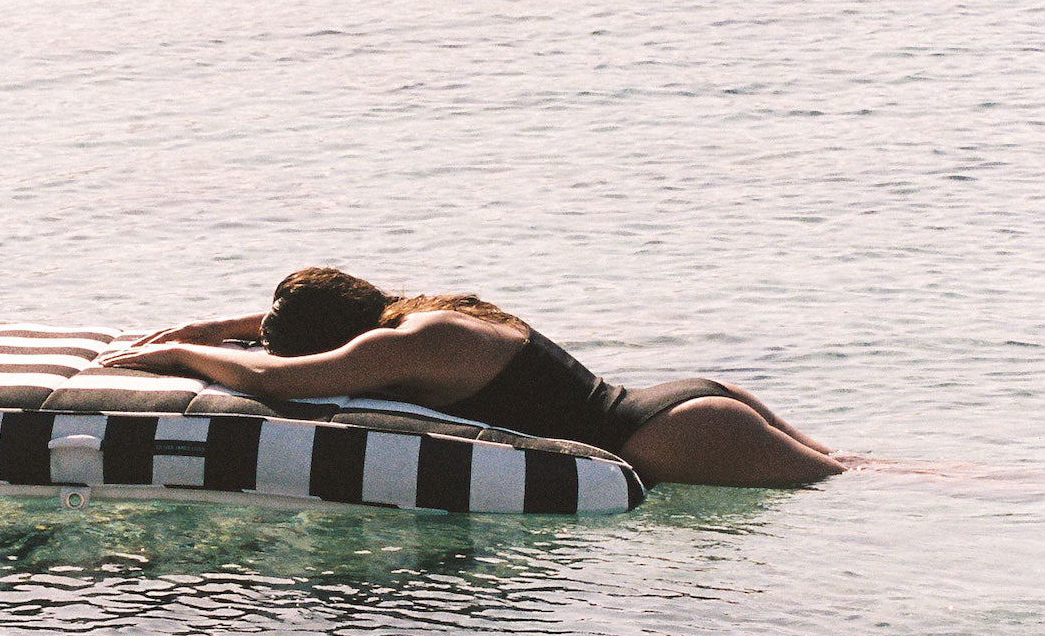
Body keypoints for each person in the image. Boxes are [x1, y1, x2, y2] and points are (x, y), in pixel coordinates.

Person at [101, 267, 846, 488]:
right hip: (687, 407)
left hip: (674, 437)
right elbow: (293, 342)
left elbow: (284, 384)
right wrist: (204, 328)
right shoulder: (422, 316)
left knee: (877, 484)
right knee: (861, 472)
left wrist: (182, 357)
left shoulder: (400, 346)